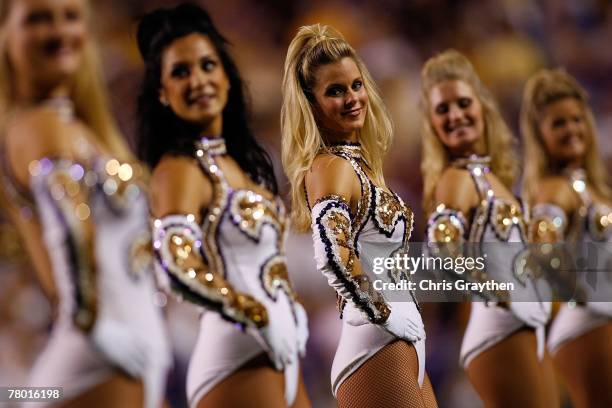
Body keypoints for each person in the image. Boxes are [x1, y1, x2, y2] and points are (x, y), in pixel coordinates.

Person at [135, 4, 309, 408]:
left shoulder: (241, 163)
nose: (198, 80)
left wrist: (289, 310)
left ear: (227, 76)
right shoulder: (177, 169)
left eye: (207, 65)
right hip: (236, 358)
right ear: (162, 94)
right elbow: (177, 263)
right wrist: (256, 313)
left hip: (281, 354)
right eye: (180, 72)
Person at [0, 0, 171, 407]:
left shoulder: (75, 127)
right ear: (6, 35)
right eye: (38, 19)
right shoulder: (39, 127)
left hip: (122, 351)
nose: (59, 32)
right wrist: (90, 324)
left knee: (24, 395)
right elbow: (69, 227)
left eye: (70, 17)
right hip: (99, 356)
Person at [281, 24, 437, 407]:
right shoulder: (331, 166)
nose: (351, 98)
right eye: (335, 91)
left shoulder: (361, 165)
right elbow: (331, 256)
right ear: (311, 104)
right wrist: (384, 314)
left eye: (355, 85)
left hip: (401, 338)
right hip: (375, 342)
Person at [420, 50, 556, 407]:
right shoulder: (456, 178)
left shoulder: (489, 177)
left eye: (463, 103)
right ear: (432, 125)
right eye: (442, 110)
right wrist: (495, 288)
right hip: (500, 332)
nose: (455, 115)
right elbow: (442, 249)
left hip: (521, 326)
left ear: (481, 106)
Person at [521, 68, 612, 408]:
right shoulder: (554, 188)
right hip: (589, 326)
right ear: (539, 134)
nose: (572, 129)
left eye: (577, 119)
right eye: (559, 124)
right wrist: (583, 291)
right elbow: (541, 250)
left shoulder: (587, 185)